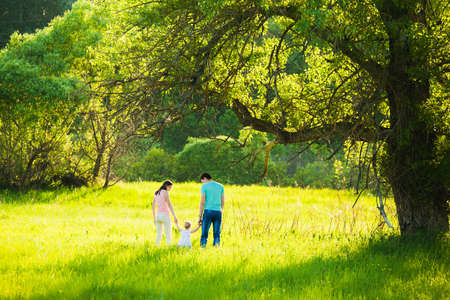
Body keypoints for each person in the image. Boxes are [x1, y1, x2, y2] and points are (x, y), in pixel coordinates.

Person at [197, 173, 224, 247]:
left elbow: (202, 202)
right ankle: (216, 247)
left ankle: (203, 246)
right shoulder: (220, 186)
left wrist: (199, 216)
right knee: (217, 232)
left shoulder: (204, 186)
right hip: (218, 212)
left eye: (202, 181)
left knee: (204, 232)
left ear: (205, 178)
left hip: (208, 211)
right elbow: (223, 201)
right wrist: (220, 210)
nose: (202, 183)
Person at [152, 180, 178, 245]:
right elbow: (169, 205)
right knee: (168, 233)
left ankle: (157, 246)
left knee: (158, 234)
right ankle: (168, 247)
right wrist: (174, 216)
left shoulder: (156, 193)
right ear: (166, 186)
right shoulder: (165, 192)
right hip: (165, 215)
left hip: (158, 215)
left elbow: (153, 206)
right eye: (170, 187)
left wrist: (154, 218)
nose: (170, 189)